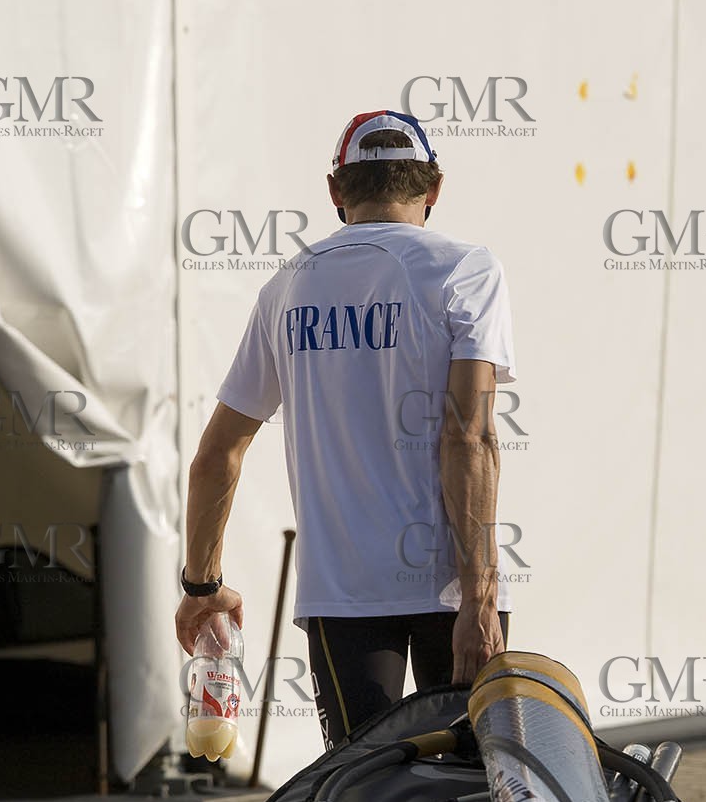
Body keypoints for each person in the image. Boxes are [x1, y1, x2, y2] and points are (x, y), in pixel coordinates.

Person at [174, 109, 516, 748]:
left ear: (336, 192)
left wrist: (203, 586)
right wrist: (479, 597)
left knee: (363, 798)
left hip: (342, 592)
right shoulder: (466, 270)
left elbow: (217, 455)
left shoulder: (288, 286)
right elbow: (468, 436)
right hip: (451, 584)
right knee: (474, 790)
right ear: (433, 190)